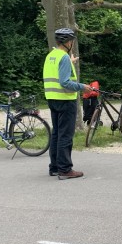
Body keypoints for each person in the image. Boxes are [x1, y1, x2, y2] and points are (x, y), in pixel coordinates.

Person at [43, 28, 92, 180]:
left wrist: (69, 62)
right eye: (72, 41)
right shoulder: (63, 57)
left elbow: (56, 74)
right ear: (68, 42)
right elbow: (65, 82)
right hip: (65, 100)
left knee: (57, 133)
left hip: (52, 99)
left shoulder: (51, 55)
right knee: (65, 135)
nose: (72, 43)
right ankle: (65, 169)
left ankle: (55, 167)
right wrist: (82, 86)